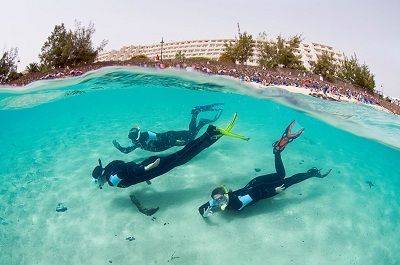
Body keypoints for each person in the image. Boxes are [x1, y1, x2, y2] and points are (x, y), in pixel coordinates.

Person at [198, 121, 331, 217]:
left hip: (261, 188)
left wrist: (274, 190)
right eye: (217, 199)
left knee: (289, 180)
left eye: (220, 197)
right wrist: (206, 213)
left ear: (224, 194)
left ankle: (312, 173)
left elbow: (258, 194)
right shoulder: (220, 202)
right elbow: (202, 208)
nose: (219, 200)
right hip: (254, 182)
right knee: (281, 175)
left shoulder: (237, 205)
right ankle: (277, 151)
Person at [92, 113, 249, 190]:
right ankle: (210, 134)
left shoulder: (112, 180)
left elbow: (126, 172)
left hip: (152, 165)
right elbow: (127, 167)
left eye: (97, 182)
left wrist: (145, 169)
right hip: (148, 164)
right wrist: (142, 173)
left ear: (101, 177)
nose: (99, 184)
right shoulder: (111, 165)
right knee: (182, 155)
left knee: (183, 156)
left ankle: (211, 133)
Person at [112, 103, 224, 153]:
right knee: (191, 134)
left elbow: (160, 137)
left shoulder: (146, 135)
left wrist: (176, 142)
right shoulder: (137, 143)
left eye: (133, 139)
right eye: (133, 139)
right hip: (170, 138)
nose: (133, 141)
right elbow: (126, 151)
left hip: (171, 137)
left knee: (190, 137)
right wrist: (119, 147)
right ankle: (197, 116)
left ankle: (197, 116)